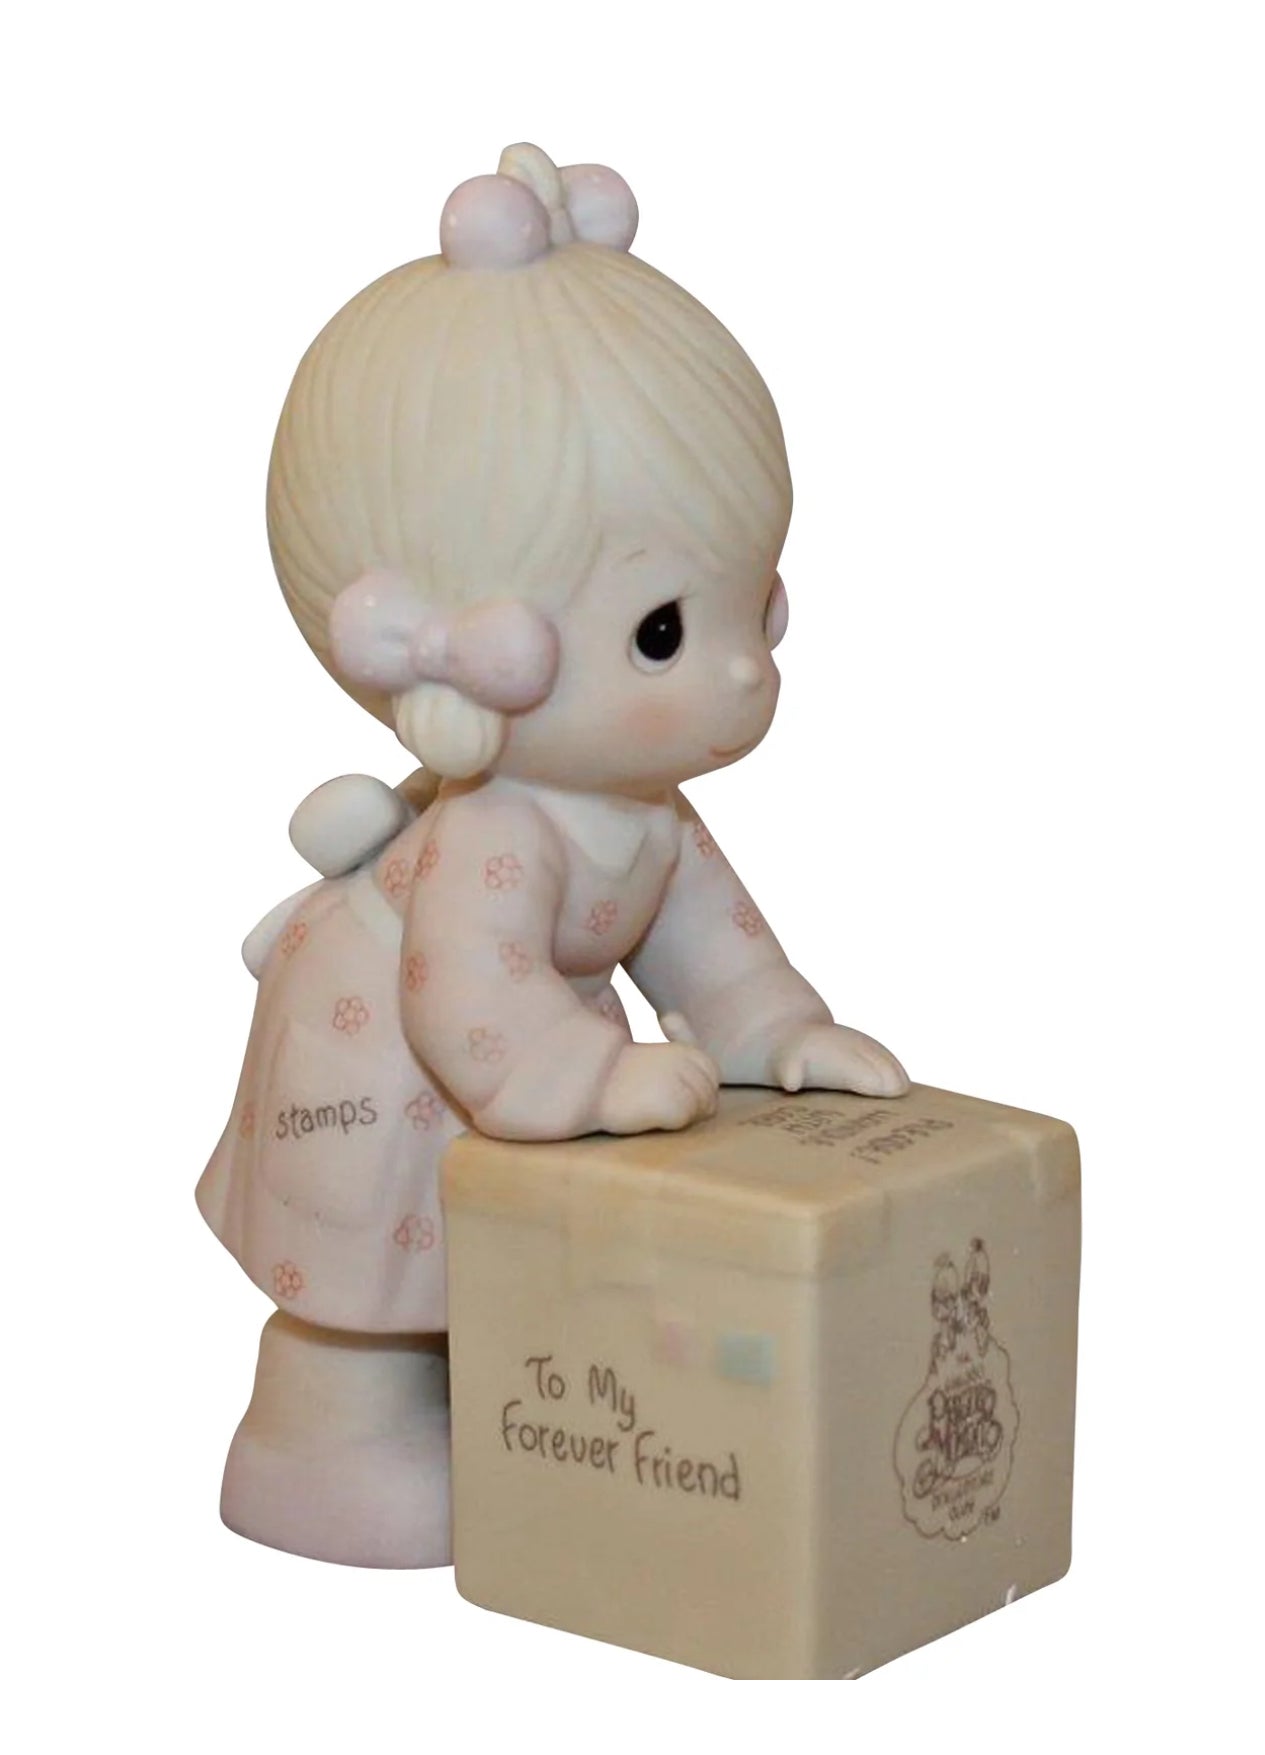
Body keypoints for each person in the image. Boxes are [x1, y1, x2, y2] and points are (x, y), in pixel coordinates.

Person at [198, 142, 909, 1568]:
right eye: (664, 632)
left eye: (753, 606)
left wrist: (774, 1032)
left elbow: (707, 943)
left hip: (494, 1080)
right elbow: (471, 1002)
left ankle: (500, 1415)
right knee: (364, 1294)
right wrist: (587, 1076)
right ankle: (315, 1443)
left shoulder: (643, 812)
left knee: (502, 1274)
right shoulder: (495, 834)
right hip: (381, 1076)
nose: (742, 672)